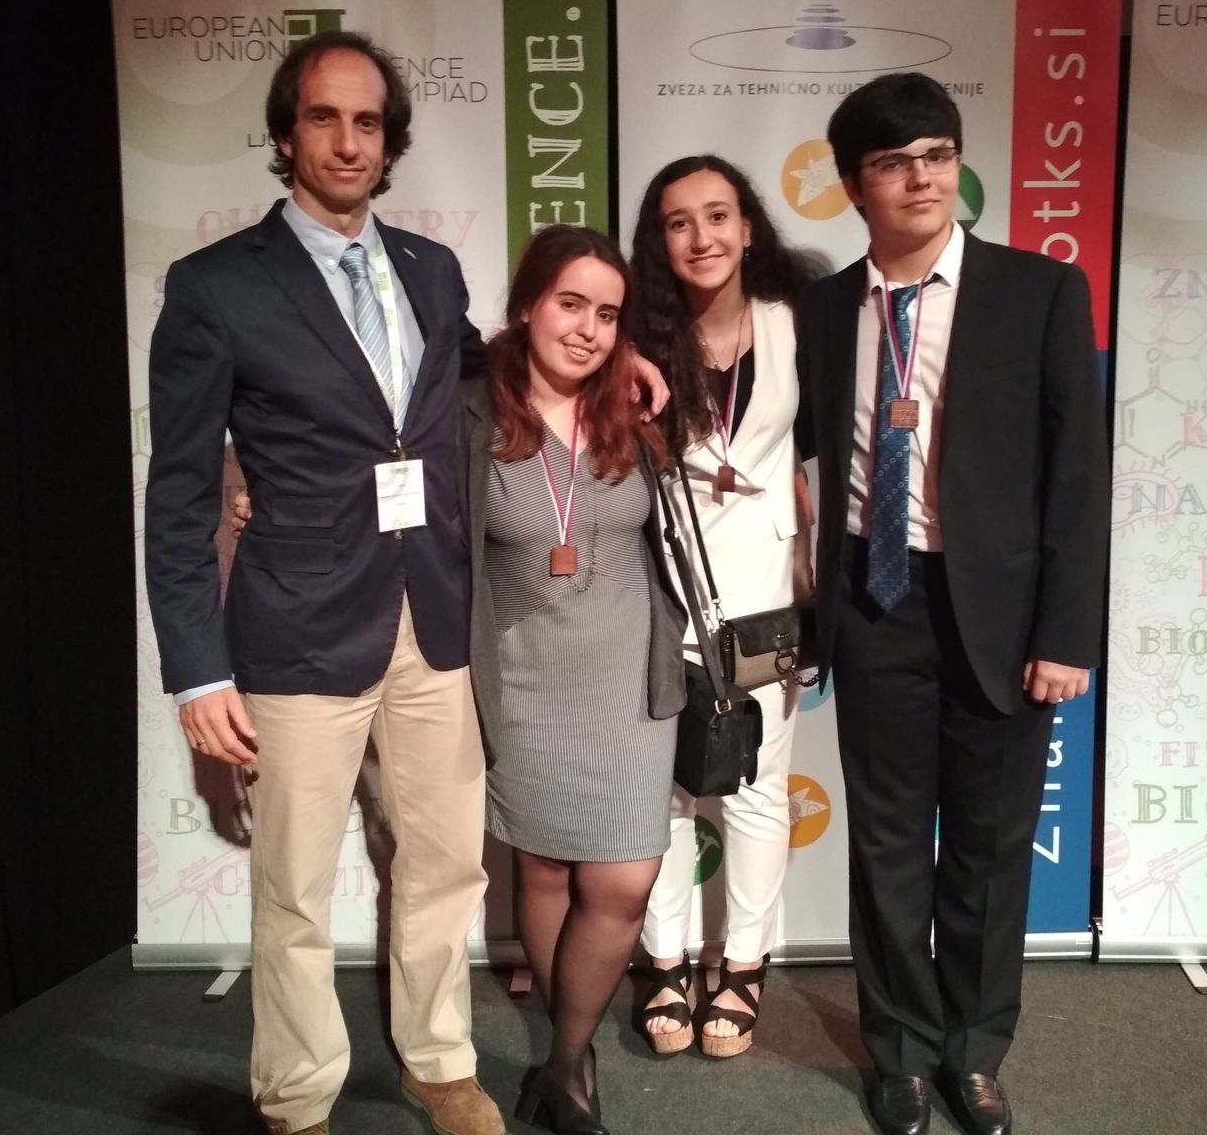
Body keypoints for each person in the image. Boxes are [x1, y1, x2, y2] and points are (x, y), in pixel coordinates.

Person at [145, 29, 508, 1135]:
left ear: (389, 139)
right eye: (323, 118)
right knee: (295, 888)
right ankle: (297, 1096)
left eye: (367, 121)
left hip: (429, 622)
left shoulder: (431, 271)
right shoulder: (215, 288)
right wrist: (197, 670)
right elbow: (179, 492)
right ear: (284, 133)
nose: (347, 141)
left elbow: (473, 380)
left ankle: (438, 1058)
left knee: (445, 865)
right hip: (296, 626)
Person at [794, 73, 1108, 1135]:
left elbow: (1077, 474)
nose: (920, 177)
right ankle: (897, 1052)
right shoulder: (825, 308)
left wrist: (1066, 632)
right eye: (892, 161)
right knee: (883, 847)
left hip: (1004, 619)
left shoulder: (1039, 293)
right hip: (875, 600)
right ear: (852, 186)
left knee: (987, 845)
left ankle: (972, 1052)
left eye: (935, 153)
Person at [456, 225, 686, 1135]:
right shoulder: (471, 413)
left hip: (629, 683)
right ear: (526, 304)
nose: (588, 329)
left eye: (608, 314)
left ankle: (561, 1059)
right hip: (521, 682)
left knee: (622, 884)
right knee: (544, 871)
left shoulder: (634, 410)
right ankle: (574, 1060)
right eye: (570, 303)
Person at [625, 155, 813, 1059]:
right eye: (678, 222)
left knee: (754, 787)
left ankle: (740, 965)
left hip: (762, 601)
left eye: (718, 216)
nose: (701, 238)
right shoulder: (631, 336)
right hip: (654, 589)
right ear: (658, 241)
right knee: (660, 789)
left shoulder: (796, 322)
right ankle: (661, 961)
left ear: (747, 228)